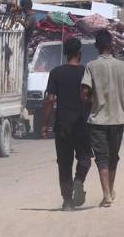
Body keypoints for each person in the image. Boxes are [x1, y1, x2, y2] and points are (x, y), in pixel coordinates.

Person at [80, 29, 124, 208]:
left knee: (102, 158)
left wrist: (90, 99)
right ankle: (110, 191)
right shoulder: (122, 66)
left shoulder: (91, 66)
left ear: (96, 46)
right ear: (111, 45)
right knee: (113, 157)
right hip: (117, 120)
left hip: (98, 121)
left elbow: (84, 93)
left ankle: (106, 194)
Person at [40, 38, 92, 211]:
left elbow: (50, 100)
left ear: (65, 53)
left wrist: (44, 124)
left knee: (64, 164)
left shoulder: (56, 72)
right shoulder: (85, 72)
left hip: (62, 125)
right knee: (84, 158)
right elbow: (92, 98)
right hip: (82, 124)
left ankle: (67, 202)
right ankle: (79, 180)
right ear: (80, 53)